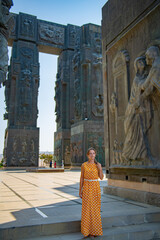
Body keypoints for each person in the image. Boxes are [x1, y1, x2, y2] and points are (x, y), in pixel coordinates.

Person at [122, 56, 152, 161]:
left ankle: (140, 153)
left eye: (143, 61)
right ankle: (128, 153)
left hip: (142, 106)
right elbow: (143, 86)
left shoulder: (143, 76)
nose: (142, 63)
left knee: (140, 131)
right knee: (133, 131)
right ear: (136, 66)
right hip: (134, 107)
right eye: (139, 62)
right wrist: (153, 74)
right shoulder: (137, 79)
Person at [79, 147, 104, 238]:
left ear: (95, 154)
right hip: (86, 188)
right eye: (90, 153)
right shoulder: (84, 165)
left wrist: (100, 168)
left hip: (95, 188)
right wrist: (80, 190)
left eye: (93, 153)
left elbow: (101, 177)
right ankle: (86, 231)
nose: (92, 155)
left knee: (95, 209)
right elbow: (82, 178)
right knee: (87, 209)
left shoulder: (98, 165)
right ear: (87, 155)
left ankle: (94, 231)